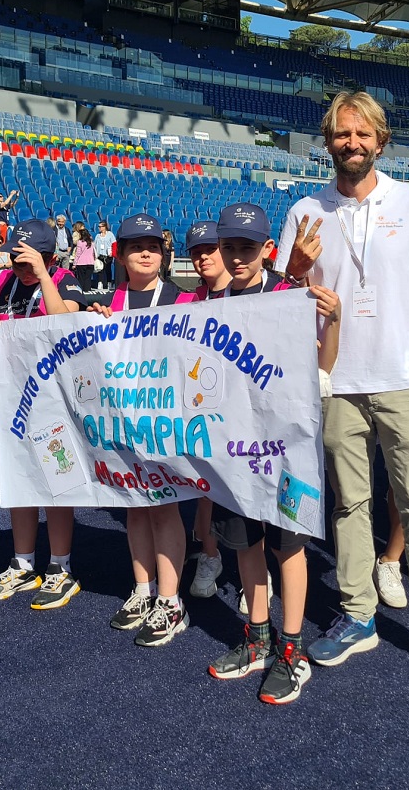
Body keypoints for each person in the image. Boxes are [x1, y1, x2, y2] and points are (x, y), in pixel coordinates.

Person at [277, 91, 409, 690]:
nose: (353, 143)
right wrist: (296, 269)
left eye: (363, 134)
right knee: (349, 505)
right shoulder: (304, 210)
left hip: (404, 379)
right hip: (335, 382)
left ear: (381, 142)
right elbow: (285, 301)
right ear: (327, 141)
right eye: (342, 133)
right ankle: (359, 614)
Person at [205, 203, 341, 705]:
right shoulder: (208, 305)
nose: (237, 257)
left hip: (286, 449)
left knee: (289, 546)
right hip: (234, 449)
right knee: (245, 544)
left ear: (267, 249)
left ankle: (293, 648)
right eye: (229, 247)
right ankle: (258, 638)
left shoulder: (290, 297)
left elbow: (325, 365)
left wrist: (334, 321)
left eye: (247, 247)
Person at [0, 219, 86, 609]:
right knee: (17, 480)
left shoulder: (64, 279)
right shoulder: (1, 282)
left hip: (52, 399)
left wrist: (42, 274)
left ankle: (60, 567)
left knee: (58, 481)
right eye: (16, 258)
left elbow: (66, 323)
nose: (20, 267)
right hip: (9, 399)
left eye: (29, 259)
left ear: (49, 256)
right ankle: (22, 564)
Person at [92, 214, 190, 647]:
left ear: (164, 254)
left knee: (164, 508)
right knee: (133, 505)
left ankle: (171, 601)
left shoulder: (183, 300)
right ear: (120, 255)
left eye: (153, 246)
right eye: (135, 246)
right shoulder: (109, 301)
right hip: (122, 423)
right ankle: (142, 589)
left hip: (165, 423)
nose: (145, 253)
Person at [184, 221, 232, 600]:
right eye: (196, 252)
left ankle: (257, 573)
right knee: (205, 484)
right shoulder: (188, 300)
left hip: (246, 407)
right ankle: (210, 555)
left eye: (210, 249)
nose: (203, 257)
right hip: (204, 405)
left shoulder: (256, 292)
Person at [93, 221, 116, 290]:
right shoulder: (97, 236)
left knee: (107, 269)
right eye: (99, 226)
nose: (99, 228)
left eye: (100, 226)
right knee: (100, 270)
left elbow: (114, 244)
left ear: (105, 227)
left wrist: (112, 253)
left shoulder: (110, 234)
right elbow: (95, 245)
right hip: (100, 255)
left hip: (108, 255)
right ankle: (100, 283)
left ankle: (109, 283)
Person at [73, 226, 95, 292]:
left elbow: (78, 254)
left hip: (81, 263)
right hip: (90, 262)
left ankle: (81, 290)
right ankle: (87, 289)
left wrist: (74, 263)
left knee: (81, 278)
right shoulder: (91, 242)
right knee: (88, 278)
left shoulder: (80, 242)